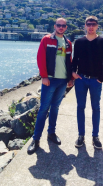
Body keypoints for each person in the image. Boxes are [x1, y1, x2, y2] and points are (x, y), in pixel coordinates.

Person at [27, 18, 73, 155]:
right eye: (58, 25)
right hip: (50, 80)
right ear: (55, 26)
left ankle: (51, 133)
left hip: (63, 80)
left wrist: (70, 78)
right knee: (43, 109)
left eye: (63, 26)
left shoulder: (68, 43)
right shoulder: (46, 40)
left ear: (66, 27)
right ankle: (36, 139)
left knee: (55, 107)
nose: (61, 27)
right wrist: (44, 76)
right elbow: (40, 58)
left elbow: (69, 61)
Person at [72, 16, 103, 149]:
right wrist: (73, 73)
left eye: (93, 24)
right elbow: (75, 59)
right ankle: (81, 136)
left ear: (97, 26)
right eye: (89, 24)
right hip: (81, 79)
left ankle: (95, 136)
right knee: (80, 107)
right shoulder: (79, 42)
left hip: (95, 80)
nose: (91, 26)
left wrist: (101, 78)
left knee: (96, 108)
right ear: (85, 26)